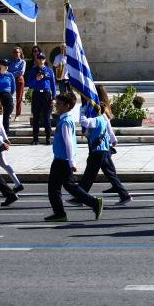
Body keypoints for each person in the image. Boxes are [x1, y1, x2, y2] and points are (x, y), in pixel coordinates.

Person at [43, 91, 103, 222]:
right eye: (56, 103)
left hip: (62, 161)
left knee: (58, 188)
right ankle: (62, 212)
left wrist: (72, 162)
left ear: (67, 105)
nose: (56, 106)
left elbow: (69, 142)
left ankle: (63, 212)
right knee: (67, 187)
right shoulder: (65, 119)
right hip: (60, 159)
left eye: (59, 104)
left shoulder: (65, 122)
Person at [73, 85, 132, 206]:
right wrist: (113, 139)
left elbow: (84, 122)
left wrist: (82, 110)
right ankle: (124, 195)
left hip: (98, 149)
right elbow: (109, 128)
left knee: (89, 174)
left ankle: (81, 198)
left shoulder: (96, 117)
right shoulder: (102, 115)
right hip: (103, 148)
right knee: (108, 173)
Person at [26, 53, 57, 145]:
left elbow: (53, 85)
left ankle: (48, 138)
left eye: (42, 58)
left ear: (44, 60)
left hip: (46, 95)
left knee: (47, 117)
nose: (40, 60)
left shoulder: (49, 70)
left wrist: (54, 97)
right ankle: (35, 139)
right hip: (36, 94)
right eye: (39, 58)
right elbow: (29, 84)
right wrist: (36, 79)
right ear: (36, 59)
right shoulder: (33, 70)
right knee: (36, 117)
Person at [8, 47, 26, 118]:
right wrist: (13, 73)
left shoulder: (23, 62)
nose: (16, 54)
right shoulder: (10, 62)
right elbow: (8, 70)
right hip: (11, 80)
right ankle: (9, 112)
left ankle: (17, 114)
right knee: (9, 96)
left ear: (20, 53)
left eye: (17, 52)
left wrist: (12, 73)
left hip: (19, 80)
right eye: (14, 52)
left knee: (19, 97)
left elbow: (21, 72)